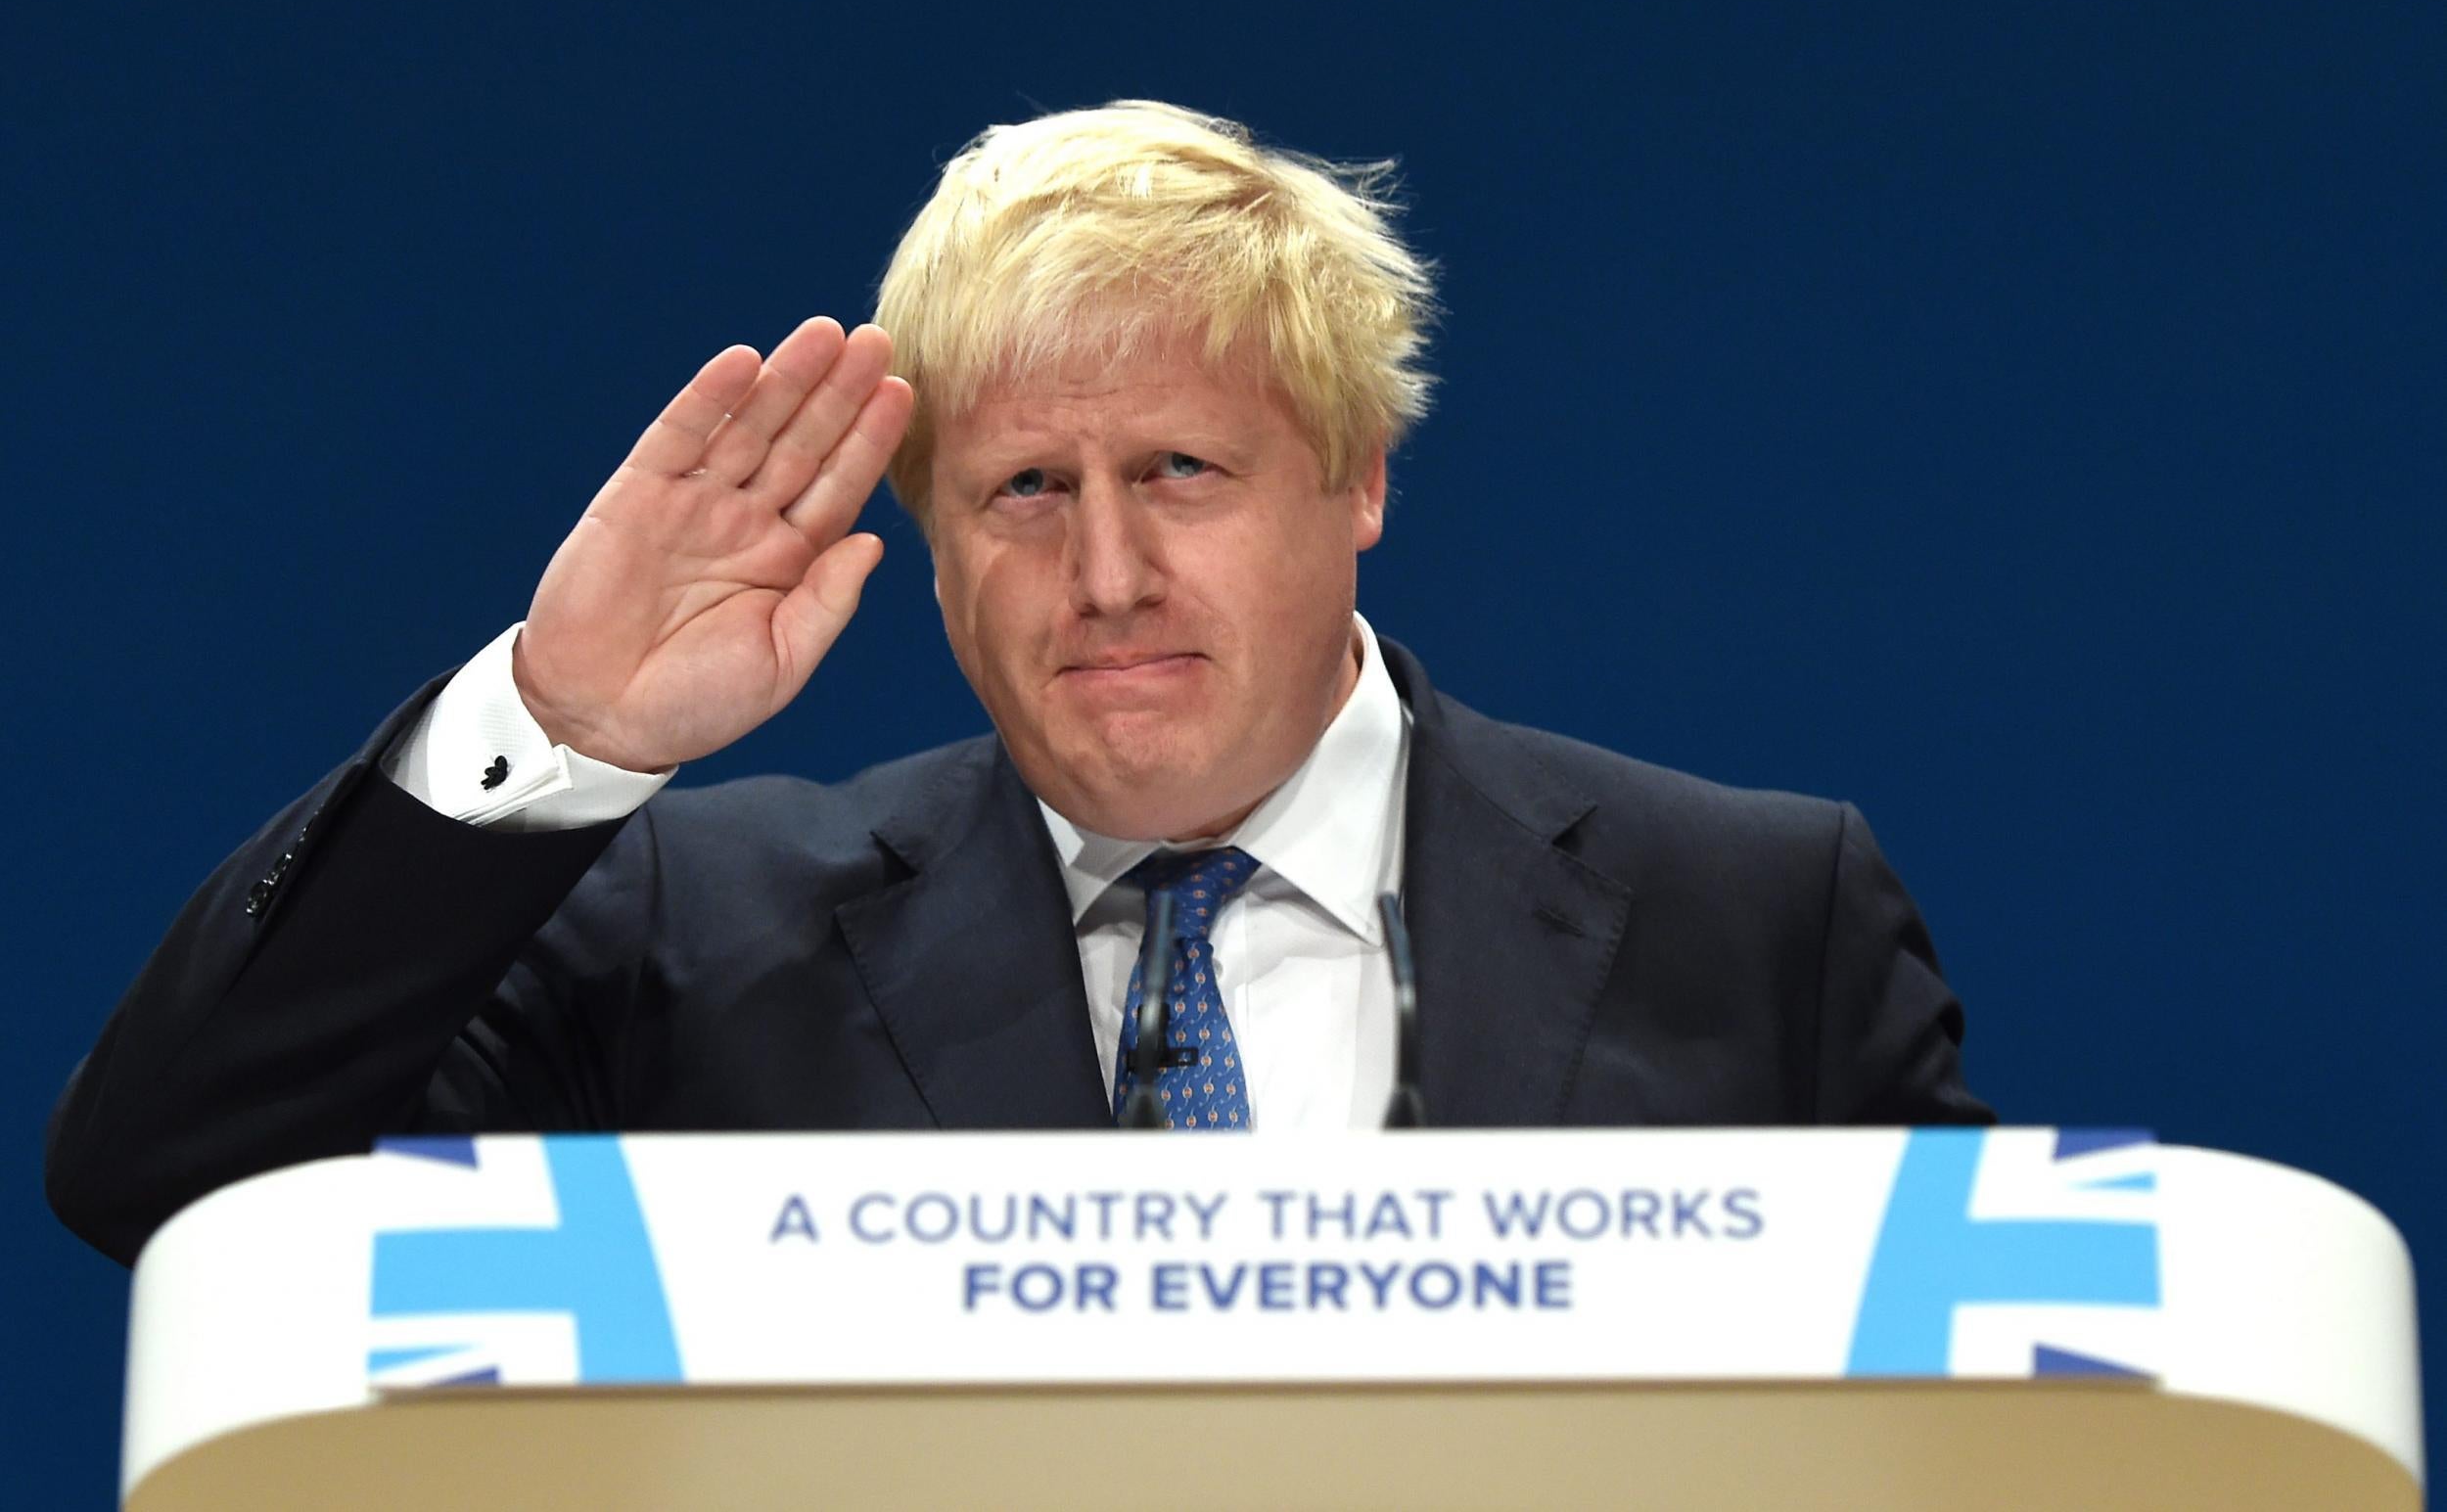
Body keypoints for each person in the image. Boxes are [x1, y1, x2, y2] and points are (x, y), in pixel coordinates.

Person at [46, 101, 1991, 1267]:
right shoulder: (680, 933)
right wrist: (555, 729)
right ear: (934, 535)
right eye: (1023, 490)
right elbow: (172, 1184)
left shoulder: (1753, 916)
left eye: (1181, 473)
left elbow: (1968, 1439)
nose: (1109, 571)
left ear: (1358, 474)